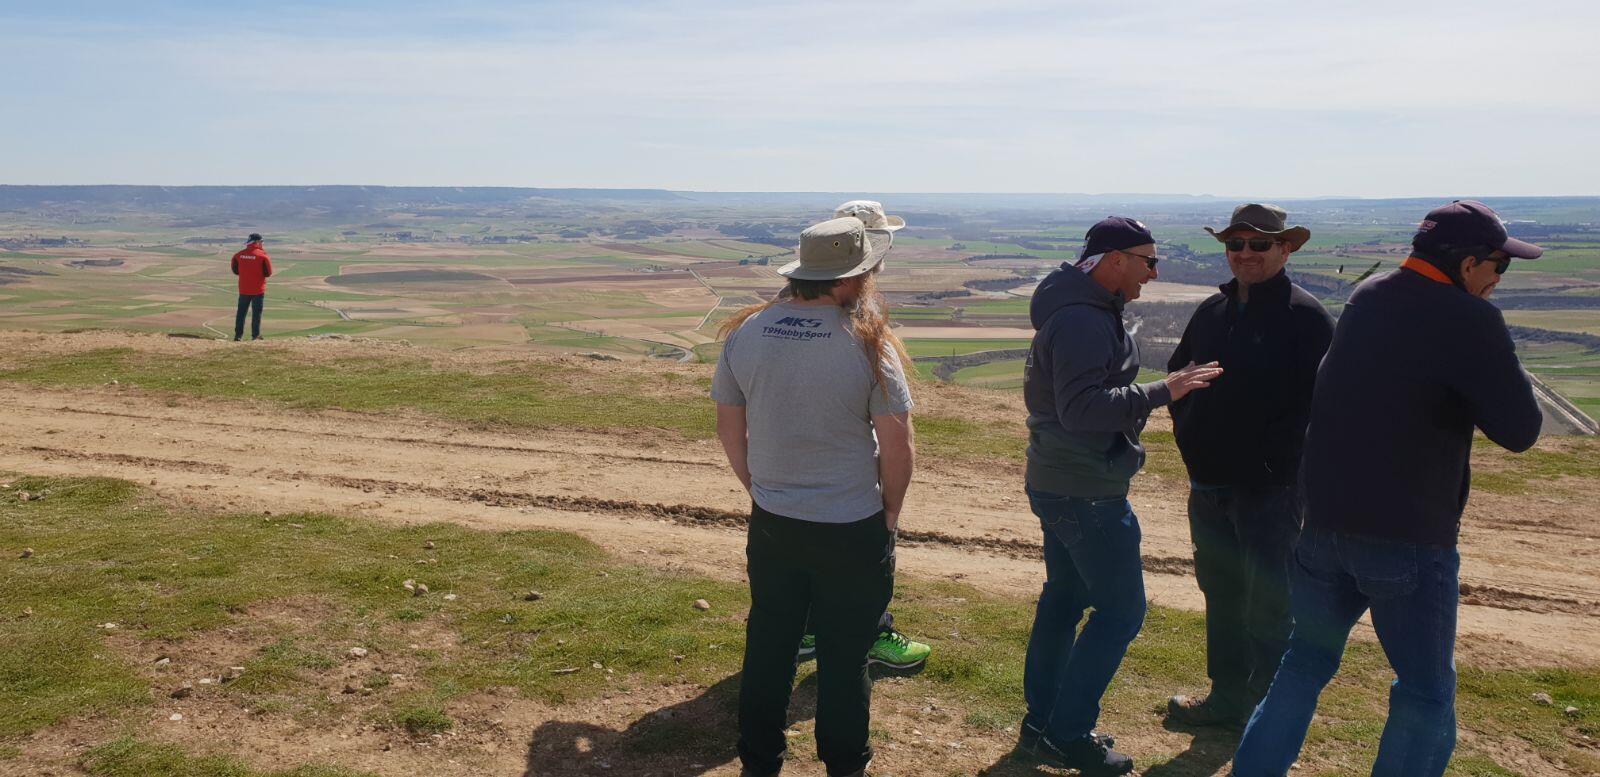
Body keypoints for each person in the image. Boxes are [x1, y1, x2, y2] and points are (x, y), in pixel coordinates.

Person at [1232, 200, 1545, 776]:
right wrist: (1486, 331)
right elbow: (1521, 430)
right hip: (1407, 535)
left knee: (1303, 665)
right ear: (1468, 264)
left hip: (1324, 526)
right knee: (1424, 691)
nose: (1499, 278)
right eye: (1499, 266)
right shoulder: (1469, 317)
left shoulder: (1368, 296)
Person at [1016, 216, 1222, 775]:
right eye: (1148, 261)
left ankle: (1043, 723)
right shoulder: (1083, 320)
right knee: (1122, 611)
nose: (1154, 273)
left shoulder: (1078, 308)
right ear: (1114, 261)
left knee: (1064, 600)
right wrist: (1164, 390)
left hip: (1060, 479)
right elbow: (1082, 409)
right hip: (1086, 490)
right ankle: (1067, 733)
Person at [713, 213, 915, 777]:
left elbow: (730, 430)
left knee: (769, 644)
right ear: (851, 279)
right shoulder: (869, 343)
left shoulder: (746, 330)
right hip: (851, 524)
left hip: (774, 520)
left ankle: (759, 762)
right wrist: (890, 512)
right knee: (846, 657)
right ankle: (846, 766)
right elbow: (897, 446)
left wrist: (759, 488)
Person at [1164, 204, 1335, 728]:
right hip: (1208, 483)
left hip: (1271, 489)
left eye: (1259, 244)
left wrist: (1277, 455)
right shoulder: (1211, 313)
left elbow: (1327, 406)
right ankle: (1226, 699)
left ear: (1285, 249)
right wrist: (1191, 433)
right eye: (1235, 244)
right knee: (1221, 593)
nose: (1245, 254)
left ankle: (1267, 715)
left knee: (1270, 602)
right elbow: (1177, 377)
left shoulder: (1306, 318)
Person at [794, 200, 930, 676]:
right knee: (871, 552)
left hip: (801, 453)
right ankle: (872, 634)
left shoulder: (803, 298)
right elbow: (893, 426)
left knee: (804, 546)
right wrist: (891, 503)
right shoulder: (859, 307)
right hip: (851, 459)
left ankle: (809, 629)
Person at [231, 233, 272, 341]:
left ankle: (238, 336)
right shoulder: (263, 256)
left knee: (241, 313)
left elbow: (235, 271)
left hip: (244, 289)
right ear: (257, 242)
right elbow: (268, 273)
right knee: (256, 314)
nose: (262, 244)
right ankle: (255, 336)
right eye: (261, 242)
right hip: (258, 290)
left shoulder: (238, 255)